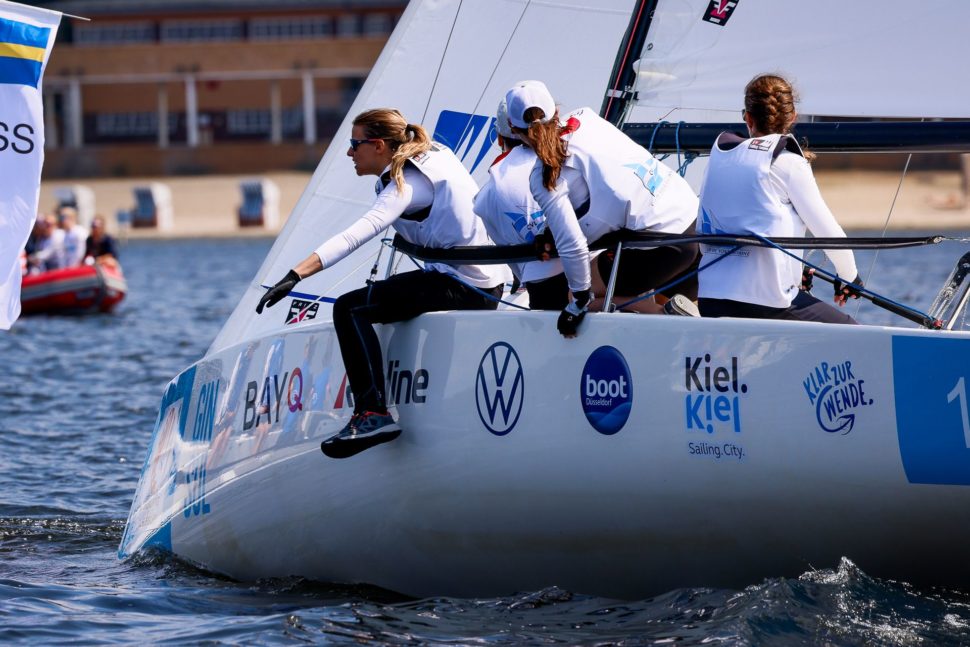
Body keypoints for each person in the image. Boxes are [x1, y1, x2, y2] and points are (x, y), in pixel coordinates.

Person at [256, 108, 510, 459]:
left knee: (350, 308)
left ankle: (372, 413)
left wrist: (295, 275)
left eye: (354, 144)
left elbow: (355, 235)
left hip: (466, 287)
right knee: (382, 295)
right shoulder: (430, 156)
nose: (349, 152)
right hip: (476, 280)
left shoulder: (407, 184)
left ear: (378, 145)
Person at [504, 80, 701, 338]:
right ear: (556, 111)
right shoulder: (586, 117)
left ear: (512, 129)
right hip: (695, 226)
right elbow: (608, 192)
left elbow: (572, 245)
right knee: (624, 264)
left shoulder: (542, 176)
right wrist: (549, 232)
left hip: (664, 250)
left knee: (567, 295)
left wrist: (578, 303)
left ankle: (661, 317)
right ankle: (678, 320)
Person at [695, 73, 862, 324]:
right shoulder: (789, 163)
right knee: (851, 332)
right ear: (792, 118)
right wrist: (849, 277)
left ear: (748, 118)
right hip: (766, 303)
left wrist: (795, 271)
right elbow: (828, 232)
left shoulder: (718, 156)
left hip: (710, 299)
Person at [473, 97, 566, 309]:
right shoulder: (573, 151)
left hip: (545, 289)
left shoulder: (486, 197)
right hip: (602, 270)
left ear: (499, 139)